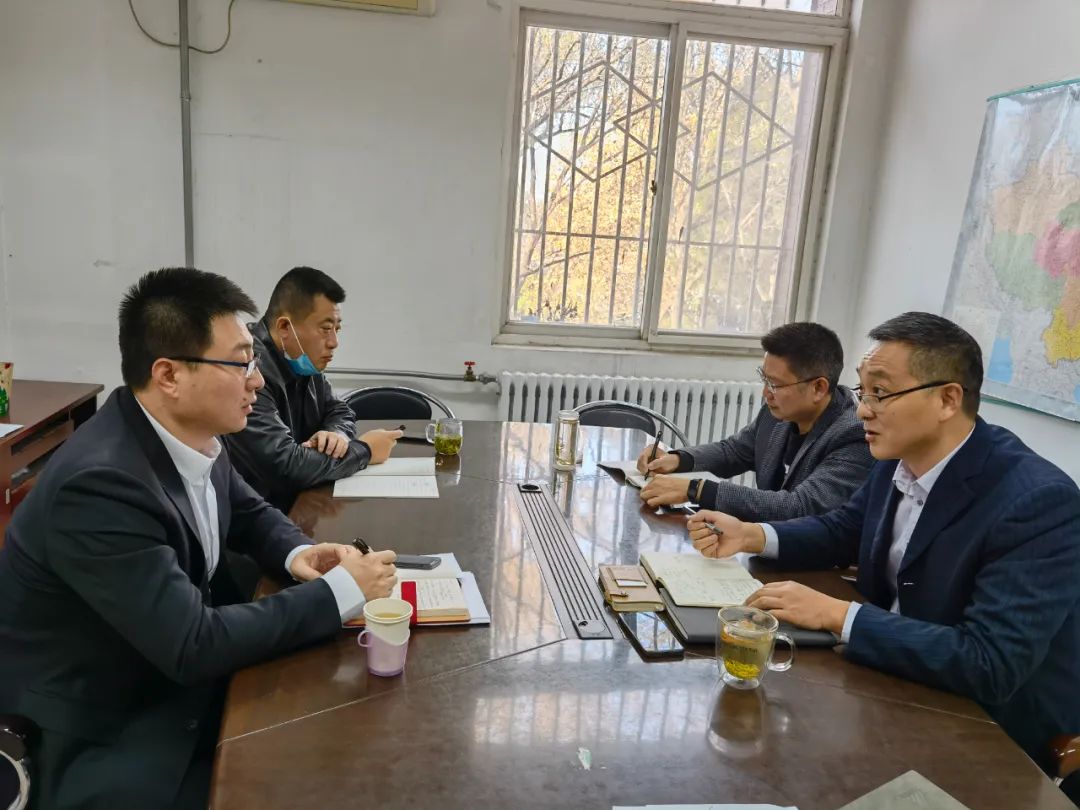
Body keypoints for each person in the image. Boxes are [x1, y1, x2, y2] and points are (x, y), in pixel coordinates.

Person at [0, 268, 398, 808]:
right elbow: (192, 644)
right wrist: (341, 592)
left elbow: (250, 513)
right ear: (168, 375)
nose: (258, 381)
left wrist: (302, 552)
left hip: (172, 683)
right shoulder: (99, 485)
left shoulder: (191, 435)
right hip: (110, 732)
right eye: (240, 363)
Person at [689, 312, 1080, 774]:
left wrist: (838, 615)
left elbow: (990, 664)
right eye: (863, 391)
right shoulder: (898, 457)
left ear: (947, 399)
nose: (862, 410)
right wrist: (752, 535)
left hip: (987, 730)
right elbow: (843, 530)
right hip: (890, 676)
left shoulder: (1037, 501)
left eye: (881, 392)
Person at [637, 322, 873, 521]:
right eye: (764, 379)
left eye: (775, 384)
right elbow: (733, 451)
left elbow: (800, 506)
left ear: (819, 388)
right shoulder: (777, 414)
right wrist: (678, 459)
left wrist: (697, 490)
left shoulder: (854, 434)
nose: (765, 393)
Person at [224, 266, 400, 512]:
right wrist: (365, 450)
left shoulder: (301, 359)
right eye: (325, 329)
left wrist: (335, 435)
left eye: (337, 329)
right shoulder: (250, 369)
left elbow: (339, 410)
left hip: (302, 501)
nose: (334, 342)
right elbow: (286, 466)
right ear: (284, 328)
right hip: (261, 514)